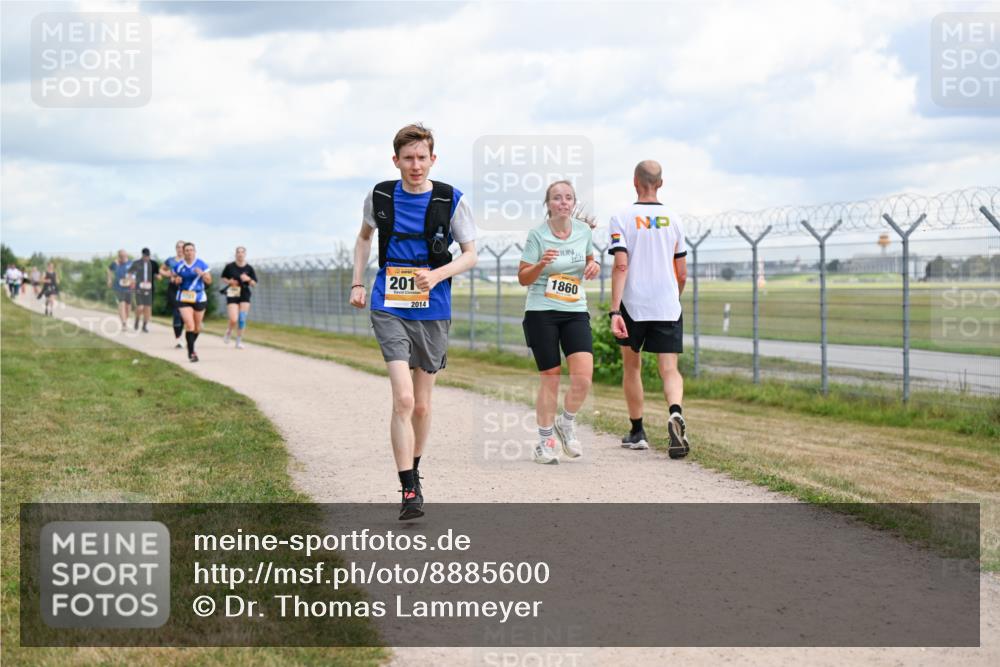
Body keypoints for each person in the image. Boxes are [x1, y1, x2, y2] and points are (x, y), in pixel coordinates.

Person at [349, 123, 477, 521]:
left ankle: (415, 470)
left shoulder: (451, 199)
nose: (415, 165)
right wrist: (357, 281)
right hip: (389, 304)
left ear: (433, 159)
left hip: (433, 307)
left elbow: (470, 254)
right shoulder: (380, 196)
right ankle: (407, 488)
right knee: (403, 398)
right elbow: (364, 238)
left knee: (421, 405)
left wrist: (437, 275)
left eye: (422, 157)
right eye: (408, 158)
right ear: (396, 160)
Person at [608, 160, 691, 458]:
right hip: (667, 303)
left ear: (634, 182)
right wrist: (673, 297)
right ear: (661, 183)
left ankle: (637, 431)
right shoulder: (674, 218)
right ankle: (675, 411)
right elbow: (682, 273)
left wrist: (615, 311)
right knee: (669, 369)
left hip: (634, 303)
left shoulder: (621, 217)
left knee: (632, 367)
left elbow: (621, 265)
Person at [518, 180, 600, 464]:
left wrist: (594, 266)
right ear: (548, 204)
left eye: (568, 197)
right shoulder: (537, 235)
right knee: (551, 377)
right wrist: (541, 264)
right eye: (557, 198)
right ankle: (544, 443)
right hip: (541, 311)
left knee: (583, 378)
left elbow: (589, 260)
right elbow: (523, 278)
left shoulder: (583, 231)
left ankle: (566, 423)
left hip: (575, 309)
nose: (563, 202)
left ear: (573, 203)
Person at [172, 242, 212, 362]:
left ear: (195, 251)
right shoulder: (179, 266)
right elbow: (173, 278)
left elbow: (209, 281)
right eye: (187, 250)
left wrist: (203, 274)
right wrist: (176, 280)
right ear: (183, 252)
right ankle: (192, 353)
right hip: (184, 297)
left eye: (191, 250)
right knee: (190, 325)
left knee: (197, 327)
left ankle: (190, 344)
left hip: (199, 297)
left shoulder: (201, 264)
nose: (189, 252)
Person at [220, 246, 258, 349]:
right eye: (238, 252)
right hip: (233, 291)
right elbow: (223, 277)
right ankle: (229, 331)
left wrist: (248, 279)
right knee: (233, 319)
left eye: (242, 252)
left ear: (245, 254)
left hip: (244, 293)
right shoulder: (230, 266)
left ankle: (238, 341)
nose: (240, 254)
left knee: (242, 319)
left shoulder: (249, 268)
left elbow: (254, 283)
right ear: (236, 254)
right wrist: (229, 281)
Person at [160, 241, 186, 348]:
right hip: (173, 289)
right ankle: (178, 339)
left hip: (185, 289)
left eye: (182, 247)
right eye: (178, 247)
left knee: (183, 313)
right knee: (176, 312)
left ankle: (182, 335)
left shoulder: (188, 261)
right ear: (176, 248)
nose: (180, 249)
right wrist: (168, 274)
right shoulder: (170, 260)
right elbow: (161, 270)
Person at [129, 248, 160, 333]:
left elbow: (157, 274)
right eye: (145, 256)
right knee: (140, 307)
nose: (147, 257)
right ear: (142, 255)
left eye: (148, 256)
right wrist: (132, 280)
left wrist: (158, 277)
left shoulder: (154, 263)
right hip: (139, 287)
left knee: (148, 308)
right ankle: (137, 320)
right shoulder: (136, 263)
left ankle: (144, 325)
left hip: (150, 288)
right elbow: (130, 273)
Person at [107, 249, 134, 330]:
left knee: (128, 306)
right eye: (121, 256)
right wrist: (109, 279)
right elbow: (109, 269)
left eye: (124, 256)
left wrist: (132, 280)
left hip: (129, 287)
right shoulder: (115, 263)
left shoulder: (131, 263)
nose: (123, 258)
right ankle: (124, 323)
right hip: (118, 286)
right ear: (119, 256)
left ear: (126, 255)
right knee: (121, 303)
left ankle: (125, 320)